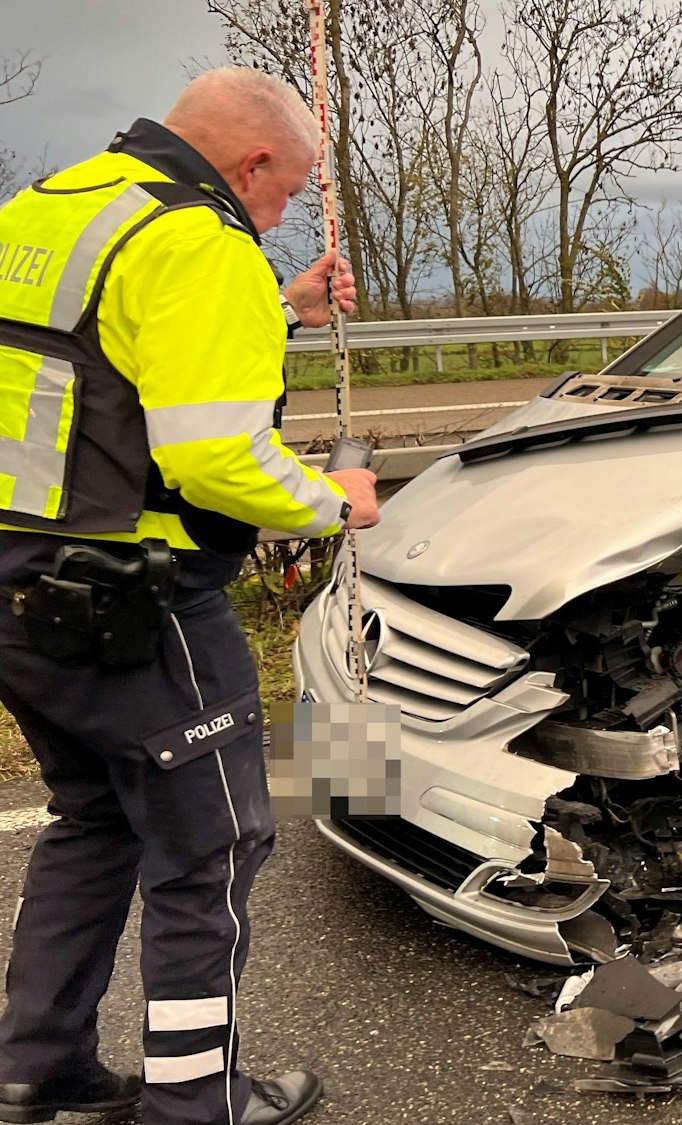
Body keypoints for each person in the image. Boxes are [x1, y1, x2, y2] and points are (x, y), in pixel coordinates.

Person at [0, 67, 379, 1125]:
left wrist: (281, 310)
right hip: (137, 597)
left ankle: (36, 1069)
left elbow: (111, 362)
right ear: (251, 162)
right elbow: (213, 457)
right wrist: (331, 501)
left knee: (91, 820)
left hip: (21, 588)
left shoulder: (52, 208)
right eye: (288, 192)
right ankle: (194, 1102)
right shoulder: (200, 239)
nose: (282, 214)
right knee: (209, 847)